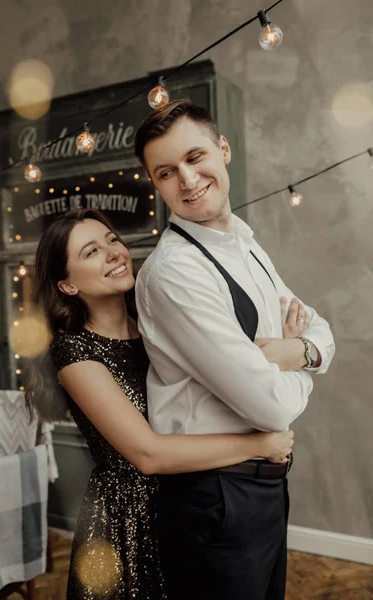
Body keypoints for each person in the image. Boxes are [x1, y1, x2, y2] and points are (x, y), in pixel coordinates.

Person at [25, 208, 296, 600]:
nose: (113, 252)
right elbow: (147, 453)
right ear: (66, 285)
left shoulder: (153, 318)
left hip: (190, 505)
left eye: (112, 240)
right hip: (126, 524)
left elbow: (229, 365)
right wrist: (260, 445)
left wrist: (286, 349)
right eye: (91, 252)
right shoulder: (73, 351)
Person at [134, 100, 336, 600]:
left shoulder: (247, 244)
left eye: (195, 156)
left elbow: (324, 332)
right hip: (213, 498)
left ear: (223, 150)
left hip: (265, 485)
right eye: (166, 172)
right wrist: (301, 360)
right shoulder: (173, 272)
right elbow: (270, 406)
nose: (186, 179)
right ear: (156, 185)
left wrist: (295, 350)